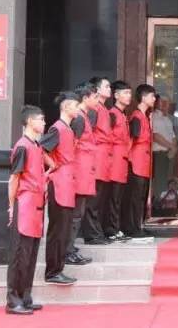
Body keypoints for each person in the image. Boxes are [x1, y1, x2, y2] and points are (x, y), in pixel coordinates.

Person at [6, 105, 49, 315]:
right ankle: (13, 300)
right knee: (19, 255)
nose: (44, 123)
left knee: (30, 255)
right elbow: (14, 179)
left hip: (36, 205)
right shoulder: (22, 146)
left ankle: (25, 296)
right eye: (41, 119)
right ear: (30, 121)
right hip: (24, 205)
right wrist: (11, 206)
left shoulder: (37, 145)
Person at [39, 92, 80, 286]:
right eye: (75, 106)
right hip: (59, 183)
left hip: (67, 182)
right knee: (58, 230)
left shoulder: (67, 129)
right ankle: (52, 272)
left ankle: (58, 269)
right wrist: (53, 164)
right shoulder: (58, 128)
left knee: (63, 229)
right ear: (66, 107)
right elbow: (40, 149)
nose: (78, 109)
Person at [65, 82, 99, 265]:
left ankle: (69, 248)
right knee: (76, 213)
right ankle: (67, 251)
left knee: (78, 212)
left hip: (84, 172)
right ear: (85, 98)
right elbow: (72, 146)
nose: (97, 100)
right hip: (78, 172)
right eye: (95, 97)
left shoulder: (84, 117)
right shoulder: (78, 119)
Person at [121, 84, 156, 238]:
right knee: (135, 198)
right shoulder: (136, 117)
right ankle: (133, 228)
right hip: (136, 162)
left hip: (144, 163)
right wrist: (127, 160)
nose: (154, 99)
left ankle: (138, 226)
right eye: (152, 96)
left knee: (141, 196)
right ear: (143, 97)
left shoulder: (145, 116)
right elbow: (130, 140)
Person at [100, 80, 132, 241]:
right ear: (116, 95)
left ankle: (115, 227)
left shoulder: (122, 114)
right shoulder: (112, 114)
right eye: (125, 93)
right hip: (113, 162)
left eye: (130, 93)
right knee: (112, 198)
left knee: (118, 198)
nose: (129, 96)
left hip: (121, 161)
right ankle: (111, 229)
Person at [85, 77, 113, 243]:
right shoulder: (95, 109)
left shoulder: (103, 108)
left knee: (100, 198)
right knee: (93, 199)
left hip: (103, 157)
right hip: (96, 156)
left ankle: (97, 232)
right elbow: (89, 133)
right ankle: (92, 234)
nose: (109, 89)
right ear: (97, 89)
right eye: (106, 86)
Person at [151, 94, 176, 216]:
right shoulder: (154, 117)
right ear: (157, 103)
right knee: (159, 184)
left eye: (167, 102)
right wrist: (171, 146)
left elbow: (173, 136)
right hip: (159, 154)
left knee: (167, 182)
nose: (165, 105)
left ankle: (166, 209)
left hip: (168, 154)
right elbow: (155, 136)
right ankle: (157, 211)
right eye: (162, 102)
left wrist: (173, 148)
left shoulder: (168, 119)